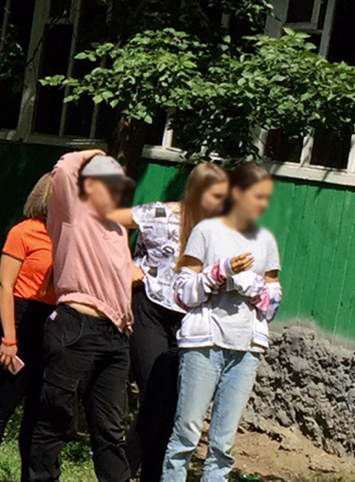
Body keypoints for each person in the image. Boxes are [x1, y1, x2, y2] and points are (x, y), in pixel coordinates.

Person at [107, 162, 228, 482]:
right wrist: (125, 265)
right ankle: (118, 474)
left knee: (173, 405)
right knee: (157, 396)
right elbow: (107, 221)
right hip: (151, 311)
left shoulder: (217, 232)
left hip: (188, 323)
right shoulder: (161, 214)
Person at [162, 162, 282, 482]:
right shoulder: (206, 232)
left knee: (223, 445)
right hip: (204, 344)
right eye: (257, 196)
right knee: (185, 436)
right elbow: (183, 293)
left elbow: (272, 303)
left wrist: (253, 286)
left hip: (246, 349)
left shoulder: (266, 240)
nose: (263, 204)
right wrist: (219, 273)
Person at [27, 150, 135, 482]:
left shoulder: (118, 228)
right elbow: (63, 169)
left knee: (110, 429)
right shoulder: (72, 211)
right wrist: (95, 154)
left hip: (114, 335)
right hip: (77, 327)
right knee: (56, 420)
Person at [0, 173, 57, 482]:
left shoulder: (68, 237)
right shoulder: (23, 232)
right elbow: (5, 286)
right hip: (21, 317)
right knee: (4, 402)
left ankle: (31, 475)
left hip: (52, 323)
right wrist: (9, 338)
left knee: (38, 410)